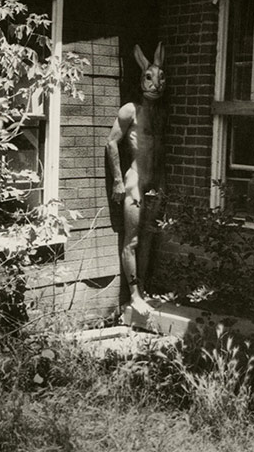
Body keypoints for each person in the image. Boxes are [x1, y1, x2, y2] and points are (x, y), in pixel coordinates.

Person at [106, 42, 166, 315]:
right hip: (134, 182)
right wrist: (118, 180)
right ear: (142, 78)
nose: (156, 84)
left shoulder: (159, 114)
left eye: (161, 77)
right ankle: (133, 295)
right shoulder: (130, 110)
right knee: (132, 240)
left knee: (150, 238)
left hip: (154, 184)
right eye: (150, 77)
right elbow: (111, 143)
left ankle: (143, 289)